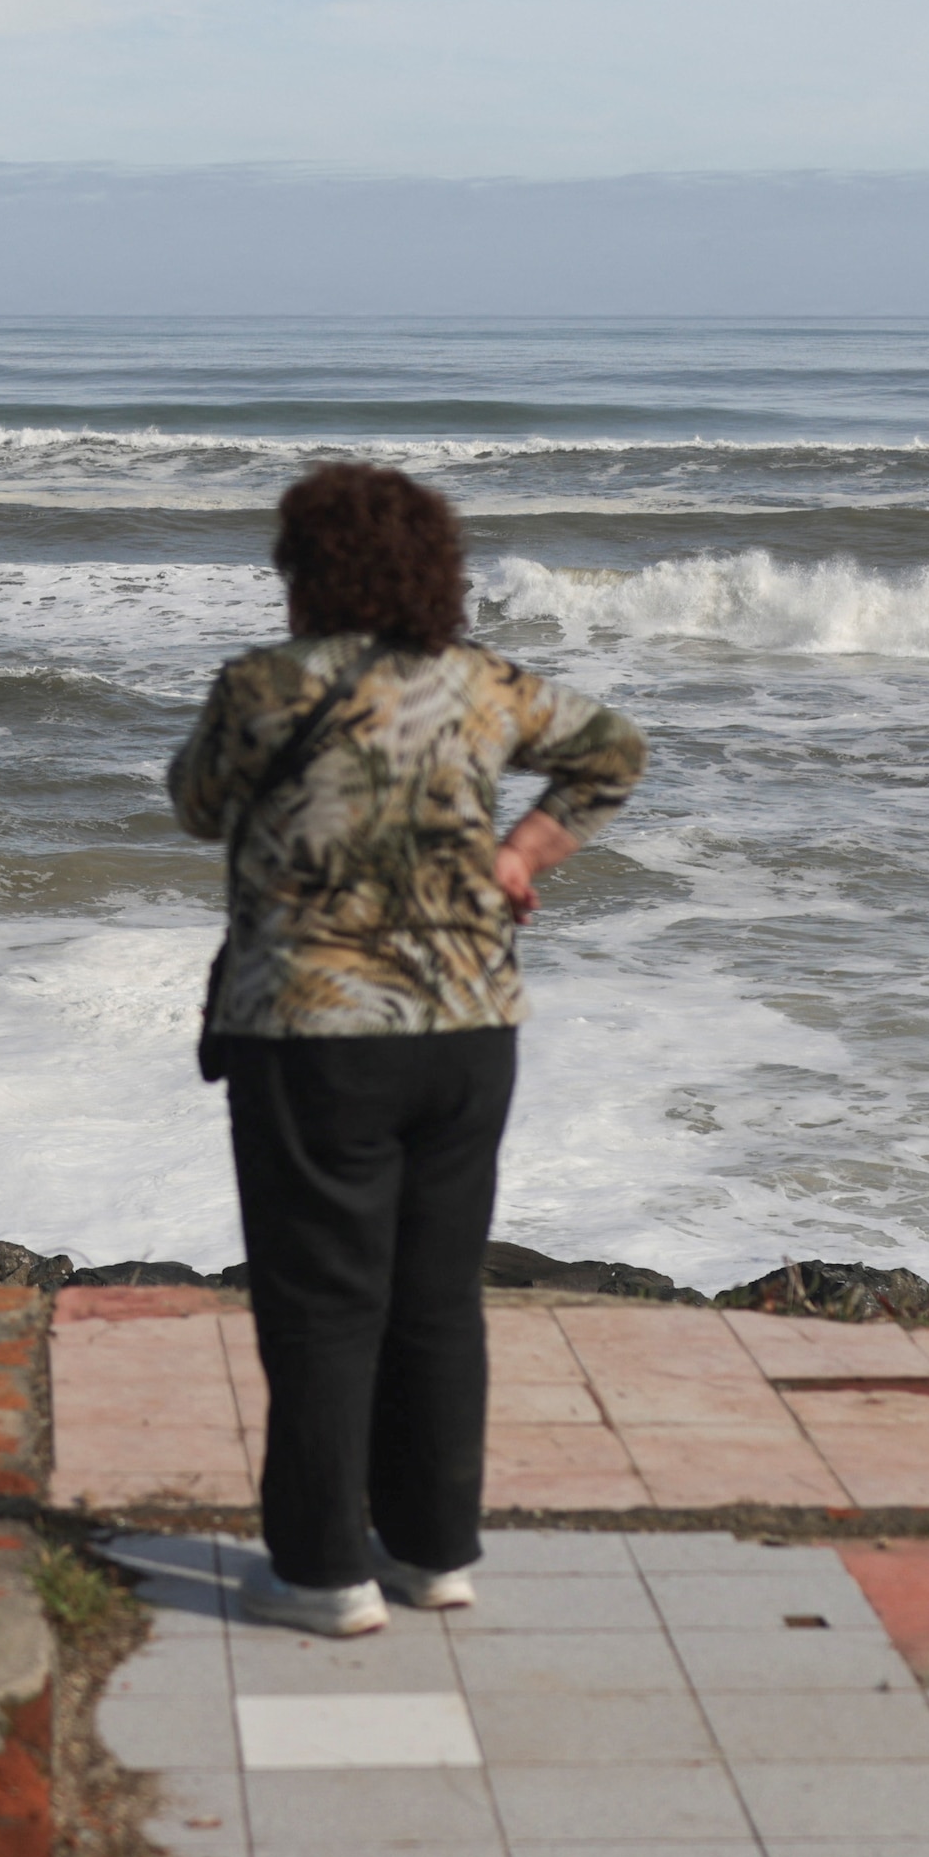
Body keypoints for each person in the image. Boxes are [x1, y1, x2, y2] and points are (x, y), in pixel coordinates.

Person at [167, 461, 648, 1637]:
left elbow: (193, 801)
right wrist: (522, 852)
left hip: (314, 1031)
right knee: (436, 1295)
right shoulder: (483, 684)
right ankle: (432, 1551)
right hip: (469, 1028)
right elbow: (612, 749)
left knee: (322, 1299)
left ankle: (322, 1572)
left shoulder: (264, 685)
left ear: (303, 574)